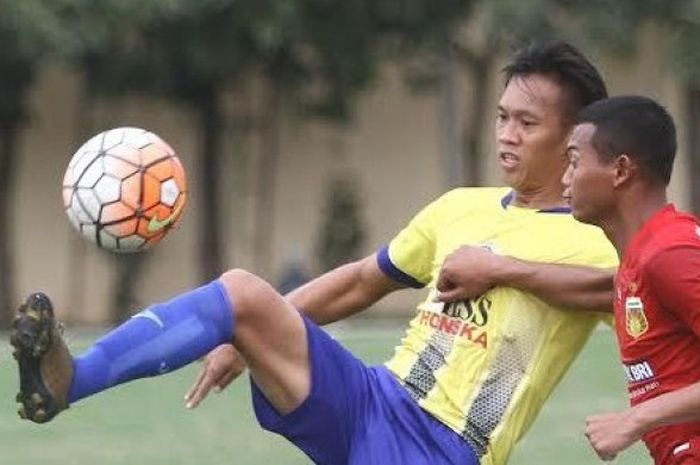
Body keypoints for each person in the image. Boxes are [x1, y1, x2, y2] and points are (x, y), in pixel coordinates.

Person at [11, 41, 617, 465]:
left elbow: (624, 294)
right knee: (244, 292)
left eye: (527, 124)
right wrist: (241, 334)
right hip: (371, 396)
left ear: (574, 138)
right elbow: (361, 282)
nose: (507, 135)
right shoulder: (461, 207)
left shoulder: (597, 237)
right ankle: (72, 379)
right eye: (502, 117)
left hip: (440, 446)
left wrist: (502, 269)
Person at [562, 95, 700, 464]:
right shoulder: (641, 258)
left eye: (574, 162)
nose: (565, 179)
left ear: (621, 171)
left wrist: (634, 420)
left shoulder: (670, 252)